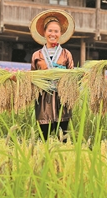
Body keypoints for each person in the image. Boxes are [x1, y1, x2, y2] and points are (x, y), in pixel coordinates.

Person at [29, 9, 75, 141]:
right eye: (50, 30)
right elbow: (33, 77)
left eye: (56, 31)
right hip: (43, 99)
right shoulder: (37, 55)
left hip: (62, 98)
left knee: (63, 137)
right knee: (43, 136)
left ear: (60, 34)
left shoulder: (66, 54)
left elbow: (72, 76)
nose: (53, 34)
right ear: (44, 32)